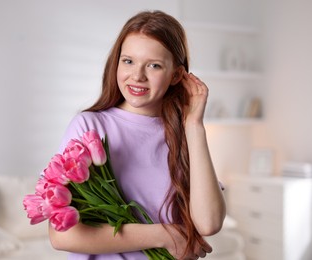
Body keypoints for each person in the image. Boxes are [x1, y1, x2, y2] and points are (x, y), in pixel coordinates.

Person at [49, 10, 226, 260]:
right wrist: (165, 235)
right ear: (117, 63)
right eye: (128, 61)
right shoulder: (90, 127)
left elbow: (209, 223)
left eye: (154, 65)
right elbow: (62, 236)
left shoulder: (185, 133)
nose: (137, 76)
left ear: (176, 75)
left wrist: (195, 125)